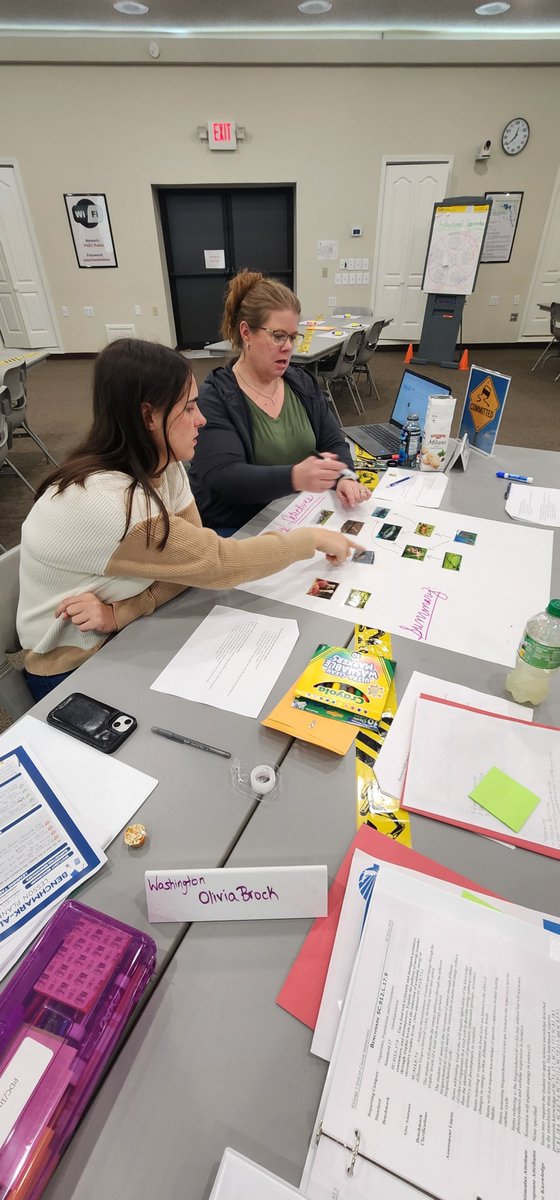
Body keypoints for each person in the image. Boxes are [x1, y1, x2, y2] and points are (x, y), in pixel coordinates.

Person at [17, 339, 361, 701]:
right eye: (189, 407)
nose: (202, 419)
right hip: (71, 665)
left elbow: (194, 570)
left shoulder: (164, 466)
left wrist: (126, 610)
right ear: (149, 417)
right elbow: (220, 563)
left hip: (122, 629)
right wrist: (311, 540)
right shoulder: (109, 503)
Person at [189, 271, 371, 533]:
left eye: (292, 337)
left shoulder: (301, 382)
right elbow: (224, 477)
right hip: (241, 528)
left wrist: (343, 478)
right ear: (246, 333)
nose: (288, 347)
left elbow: (332, 442)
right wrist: (295, 477)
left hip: (297, 515)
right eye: (278, 335)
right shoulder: (215, 397)